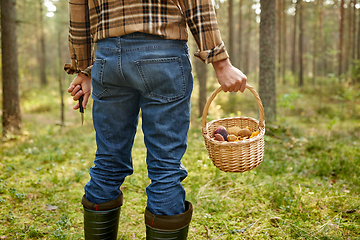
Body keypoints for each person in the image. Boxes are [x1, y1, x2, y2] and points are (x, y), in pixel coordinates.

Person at [65, 0, 247, 239]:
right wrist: (220, 61)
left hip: (108, 57)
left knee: (108, 161)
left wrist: (83, 68)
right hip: (163, 53)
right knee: (166, 167)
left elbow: (79, 10)